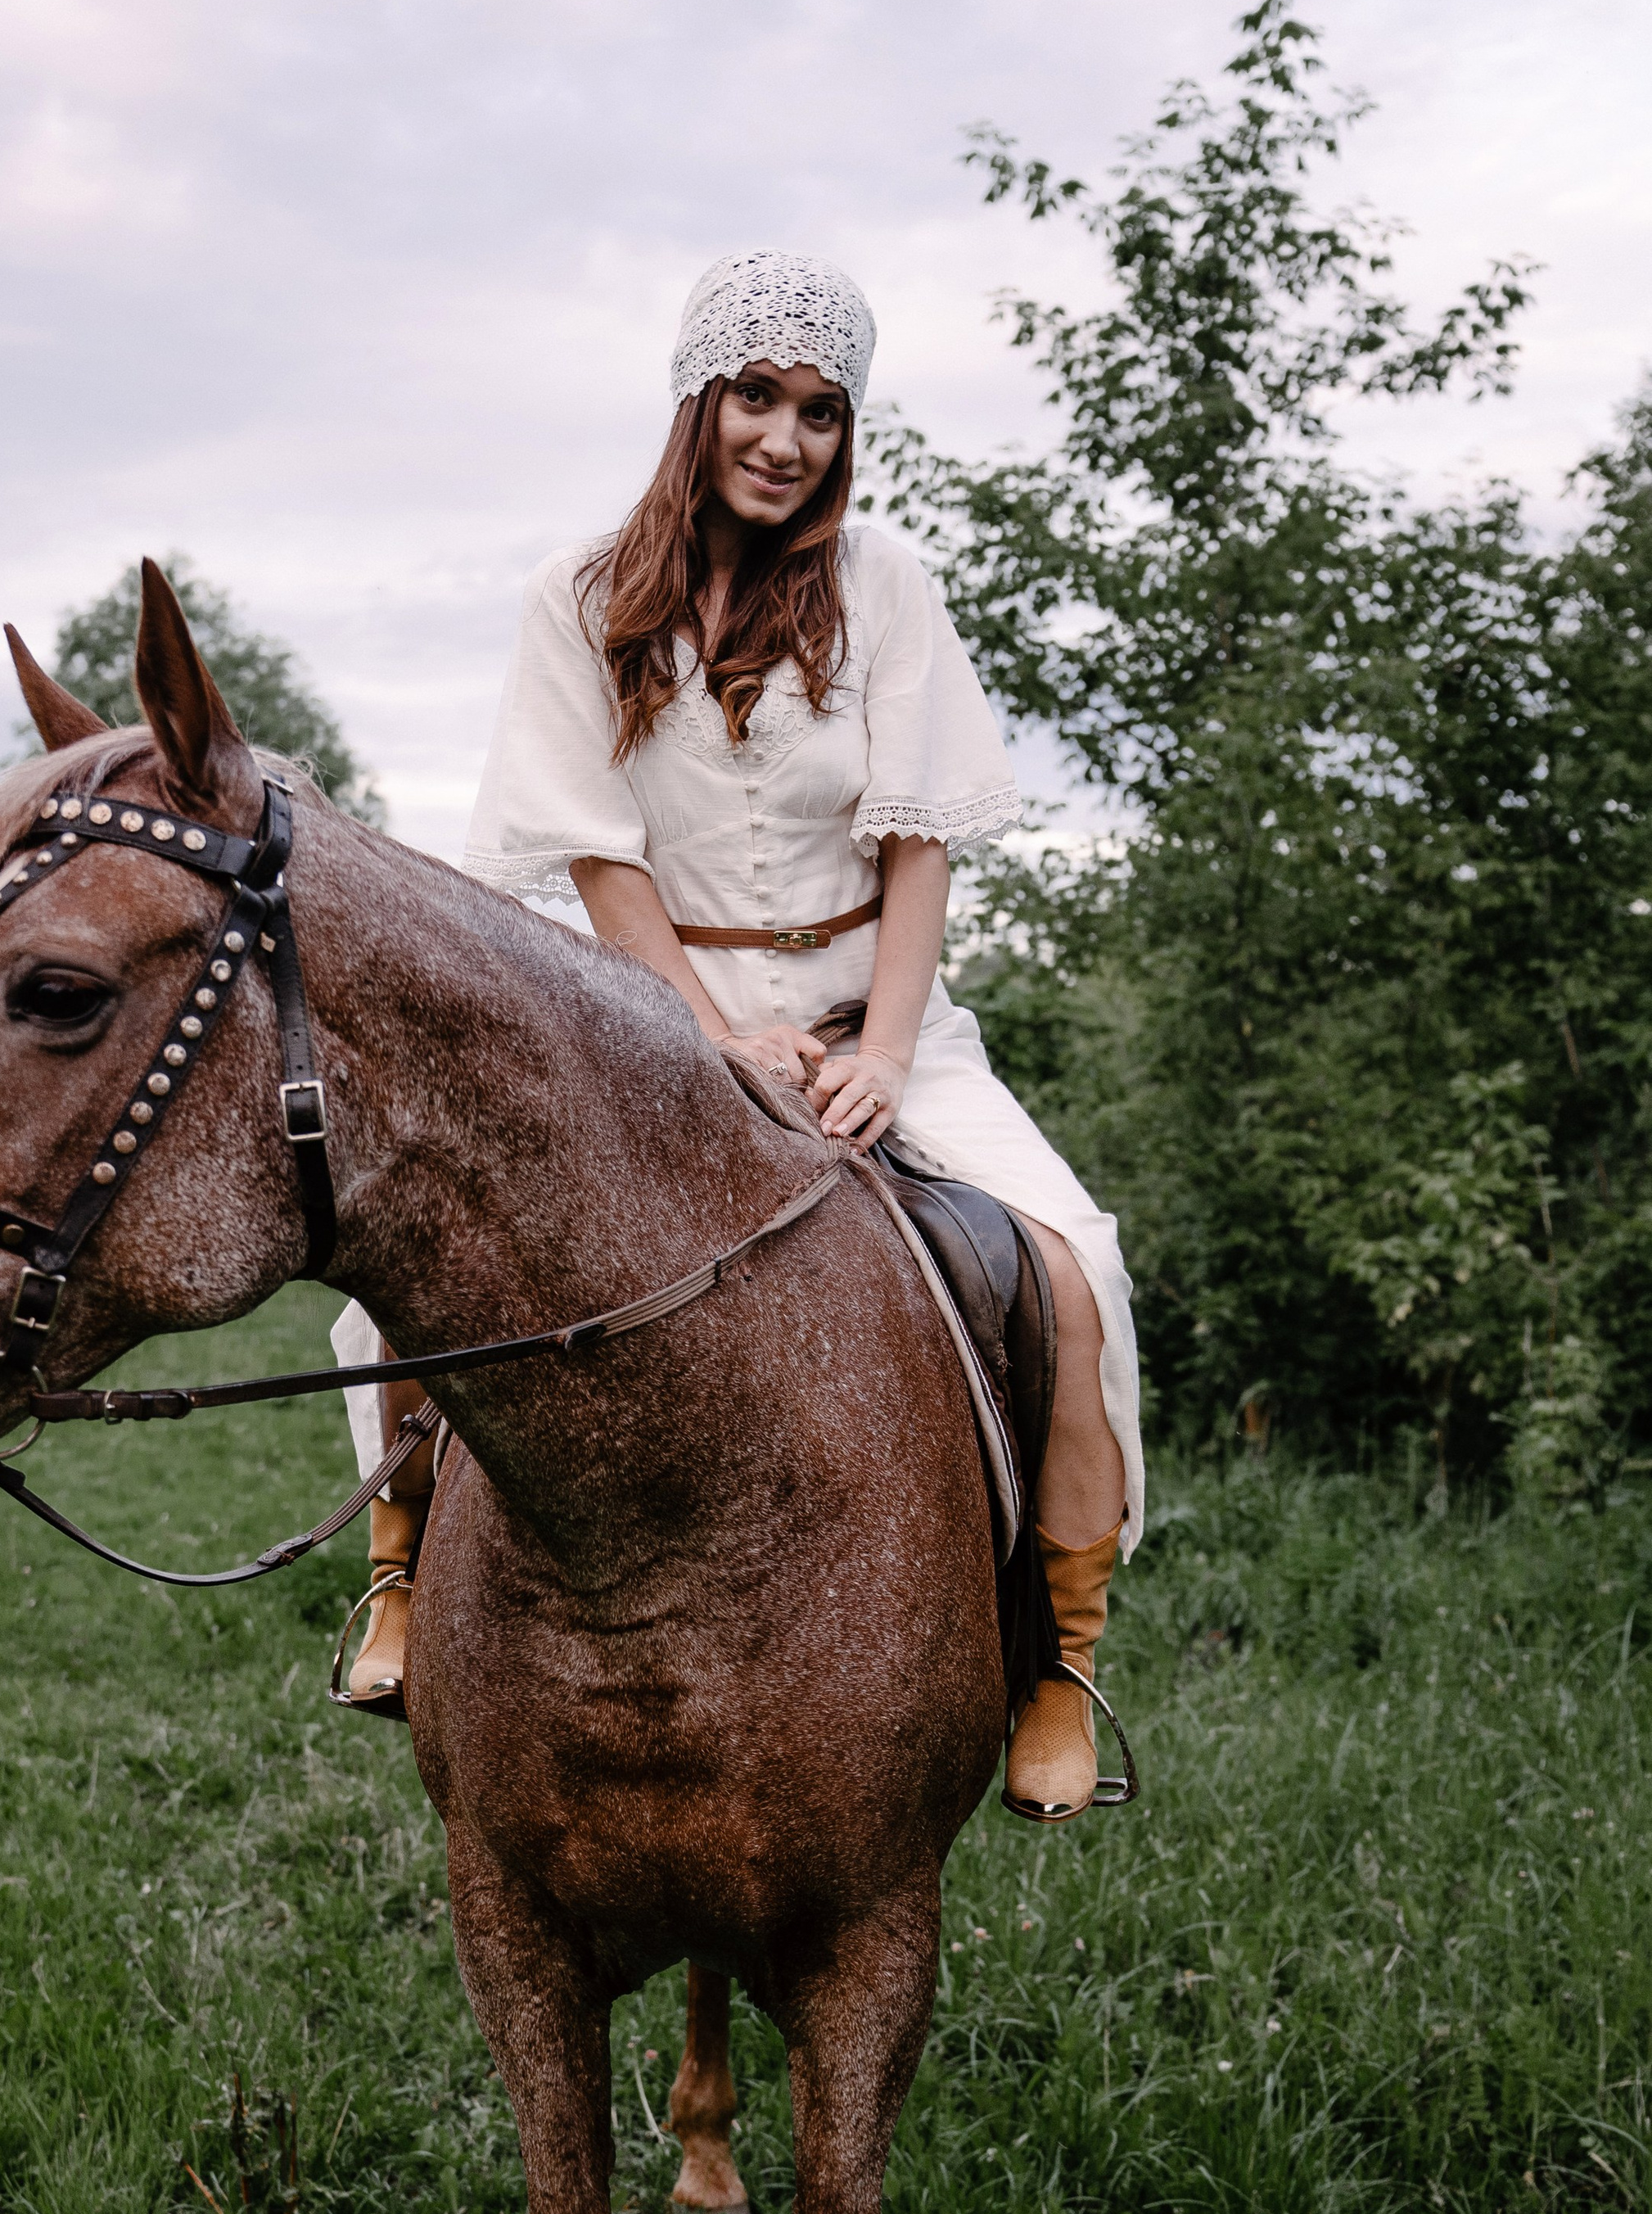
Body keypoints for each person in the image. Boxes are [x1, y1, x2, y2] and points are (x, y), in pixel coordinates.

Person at [334, 248, 1141, 1821]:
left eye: (823, 413)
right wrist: (706, 1037)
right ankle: (402, 1573)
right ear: (700, 402)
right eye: (759, 399)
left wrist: (887, 1055)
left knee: (1072, 1265)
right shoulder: (579, 599)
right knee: (412, 1270)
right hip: (645, 1017)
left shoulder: (885, 589)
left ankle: (1059, 1665)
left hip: (870, 1011)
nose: (787, 440)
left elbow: (919, 843)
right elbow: (597, 855)